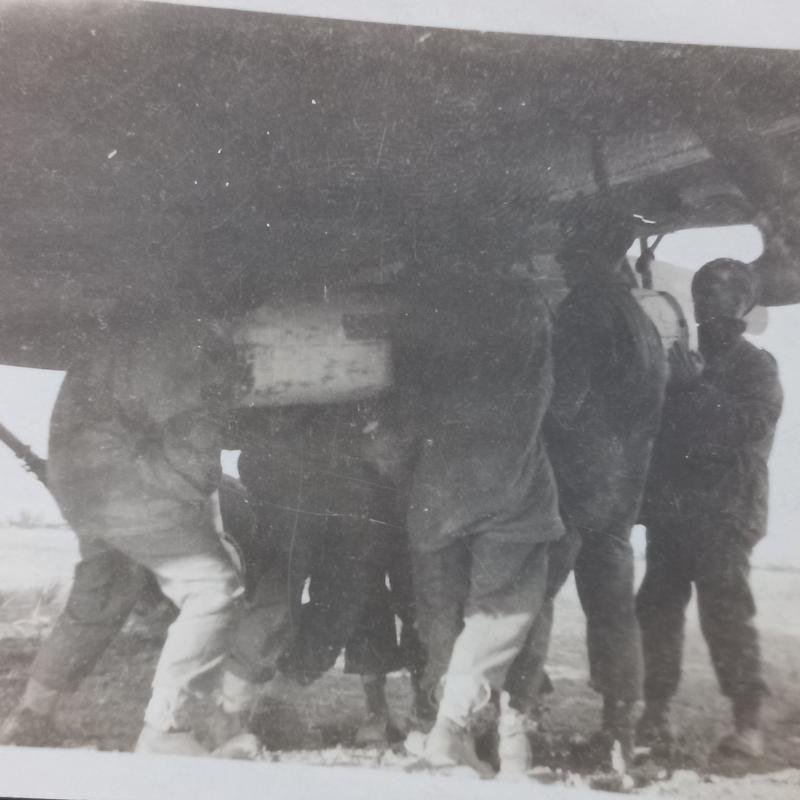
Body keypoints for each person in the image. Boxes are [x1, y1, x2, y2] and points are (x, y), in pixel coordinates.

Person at [0, 305, 260, 757]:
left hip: (81, 482)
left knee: (102, 593)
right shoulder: (188, 339)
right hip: (123, 483)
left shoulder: (132, 331)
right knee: (212, 587)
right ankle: (166, 730)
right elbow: (192, 442)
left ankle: (30, 718)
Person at [507, 196, 668, 765]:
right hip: (621, 490)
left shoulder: (584, 311)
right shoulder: (642, 318)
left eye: (570, 247)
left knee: (528, 598)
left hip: (573, 485)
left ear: (585, 251)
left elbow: (562, 403)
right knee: (612, 610)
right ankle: (619, 734)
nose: (562, 257)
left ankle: (519, 723)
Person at [401, 270, 564, 776]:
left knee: (441, 615)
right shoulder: (528, 307)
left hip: (436, 492)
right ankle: (456, 731)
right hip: (511, 492)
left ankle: (438, 723)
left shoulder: (431, 305)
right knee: (504, 611)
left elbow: (409, 398)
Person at [636, 258, 783, 760]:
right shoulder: (683, 358)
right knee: (656, 609)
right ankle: (655, 714)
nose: (705, 304)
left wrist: (694, 387)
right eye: (701, 294)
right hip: (676, 508)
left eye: (719, 294)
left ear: (743, 302)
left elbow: (750, 426)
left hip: (725, 509)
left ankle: (748, 722)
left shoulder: (755, 365)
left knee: (725, 614)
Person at [229, 399, 425, 748]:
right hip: (288, 464)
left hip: (345, 471)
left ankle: (275, 702)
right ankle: (232, 711)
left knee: (348, 591)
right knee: (280, 592)